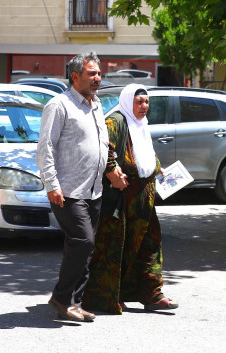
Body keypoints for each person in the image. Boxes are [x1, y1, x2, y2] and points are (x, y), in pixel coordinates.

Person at [82, 84, 178, 314]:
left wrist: (157, 168)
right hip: (122, 196)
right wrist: (113, 173)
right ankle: (108, 297)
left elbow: (143, 151)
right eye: (139, 102)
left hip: (145, 197)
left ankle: (152, 294)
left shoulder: (141, 124)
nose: (144, 106)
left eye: (146, 102)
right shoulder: (115, 121)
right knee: (117, 246)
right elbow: (103, 150)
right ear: (128, 102)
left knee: (149, 245)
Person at [36, 51, 108, 322]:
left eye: (99, 73)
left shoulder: (96, 104)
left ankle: (73, 301)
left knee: (84, 247)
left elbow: (101, 144)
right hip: (67, 190)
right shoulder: (59, 105)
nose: (98, 78)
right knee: (83, 241)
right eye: (92, 74)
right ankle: (61, 298)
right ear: (75, 76)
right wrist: (51, 184)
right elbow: (46, 147)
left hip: (94, 189)